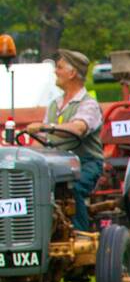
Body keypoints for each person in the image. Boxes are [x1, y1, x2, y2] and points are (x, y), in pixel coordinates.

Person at [24, 48, 103, 231]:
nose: (55, 71)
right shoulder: (54, 104)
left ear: (72, 73)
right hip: (54, 164)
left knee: (71, 189)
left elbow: (78, 128)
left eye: (59, 67)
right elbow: (41, 139)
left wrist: (46, 127)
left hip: (84, 163)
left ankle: (80, 234)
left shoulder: (88, 104)